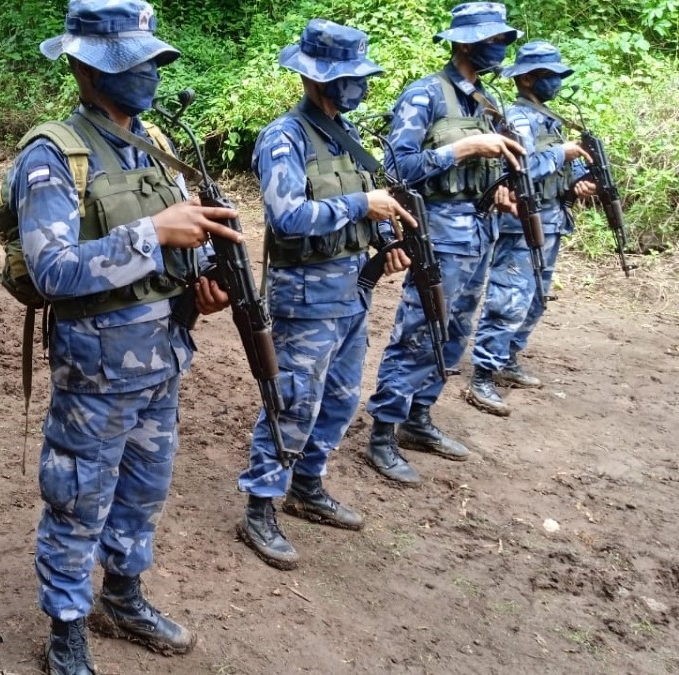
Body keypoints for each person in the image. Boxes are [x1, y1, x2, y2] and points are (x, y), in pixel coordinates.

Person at [11, 1, 241, 672]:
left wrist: (205, 282)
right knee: (79, 494)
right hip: (97, 368)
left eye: (150, 60)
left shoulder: (158, 147)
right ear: (84, 67)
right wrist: (152, 234)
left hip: (163, 354)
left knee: (144, 488)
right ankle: (65, 629)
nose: (147, 74)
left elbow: (185, 246)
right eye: (128, 63)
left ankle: (123, 595)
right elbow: (52, 269)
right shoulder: (54, 155)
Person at [237, 19, 413, 568]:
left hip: (351, 288)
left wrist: (385, 238)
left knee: (339, 398)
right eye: (345, 76)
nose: (355, 85)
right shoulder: (284, 137)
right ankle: (260, 506)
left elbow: (368, 203)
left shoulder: (349, 137)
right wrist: (364, 207)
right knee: (291, 401)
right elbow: (287, 218)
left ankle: (307, 486)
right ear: (316, 78)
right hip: (303, 295)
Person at [364, 2, 526, 484]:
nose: (500, 47)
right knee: (421, 327)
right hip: (437, 232)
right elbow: (395, 169)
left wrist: (494, 184)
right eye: (492, 39)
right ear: (463, 43)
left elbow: (493, 168)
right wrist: (462, 150)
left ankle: (419, 418)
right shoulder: (425, 95)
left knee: (454, 331)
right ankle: (384, 432)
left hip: (479, 231)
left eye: (502, 39)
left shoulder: (487, 101)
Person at [467, 41, 596, 415]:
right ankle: (483, 375)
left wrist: (577, 183)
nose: (555, 82)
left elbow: (560, 172)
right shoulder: (520, 120)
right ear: (526, 78)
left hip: (552, 219)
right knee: (509, 298)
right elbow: (516, 169)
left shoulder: (549, 119)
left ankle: (507, 359)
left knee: (536, 298)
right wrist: (561, 154)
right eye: (548, 75)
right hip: (520, 222)